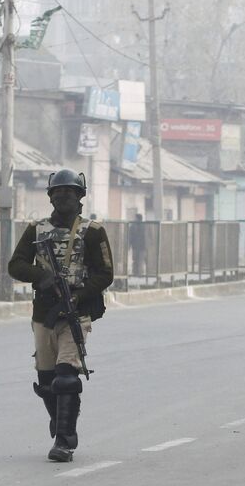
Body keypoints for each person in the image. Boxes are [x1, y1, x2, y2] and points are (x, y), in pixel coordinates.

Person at [8, 169, 114, 462]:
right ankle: (59, 419)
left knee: (67, 375)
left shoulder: (93, 231)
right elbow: (15, 265)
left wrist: (79, 295)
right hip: (44, 312)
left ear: (80, 196)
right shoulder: (36, 230)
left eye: (70, 191)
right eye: (58, 192)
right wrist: (41, 277)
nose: (63, 196)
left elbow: (106, 273)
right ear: (50, 196)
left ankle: (64, 440)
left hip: (76, 312)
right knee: (47, 380)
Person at [130, 212, 147, 277]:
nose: (134, 219)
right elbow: (130, 236)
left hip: (142, 246)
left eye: (135, 218)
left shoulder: (144, 226)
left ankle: (140, 274)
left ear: (138, 219)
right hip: (136, 246)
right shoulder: (133, 226)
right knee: (135, 260)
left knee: (140, 260)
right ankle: (135, 273)